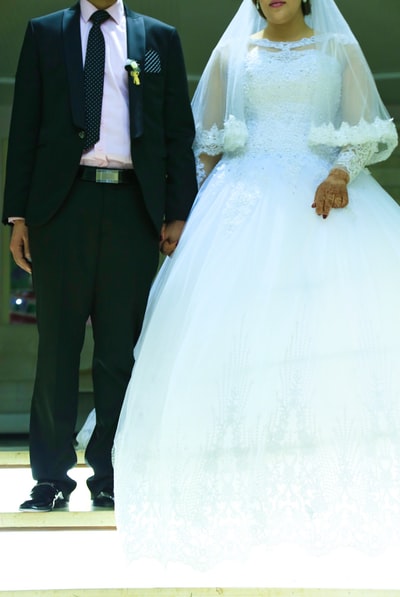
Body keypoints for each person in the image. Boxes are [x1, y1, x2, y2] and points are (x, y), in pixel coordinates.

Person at [113, 0, 400, 574]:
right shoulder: (232, 54)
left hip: (321, 197)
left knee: (327, 347)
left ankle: (331, 502)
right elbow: (207, 144)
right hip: (239, 205)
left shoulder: (337, 49)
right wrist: (185, 217)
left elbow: (361, 129)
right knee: (229, 349)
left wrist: (341, 171)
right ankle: (235, 505)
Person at [2, 0, 197, 512]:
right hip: (61, 208)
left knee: (119, 352)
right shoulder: (45, 33)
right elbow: (25, 124)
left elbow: (178, 129)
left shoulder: (159, 38)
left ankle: (111, 474)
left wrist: (178, 210)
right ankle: (49, 478)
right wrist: (18, 215)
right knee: (56, 350)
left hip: (135, 207)